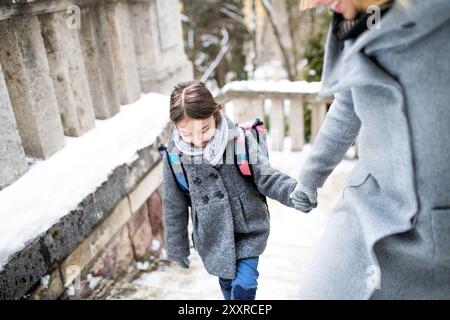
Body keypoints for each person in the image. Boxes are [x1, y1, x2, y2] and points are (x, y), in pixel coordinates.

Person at [291, 0, 450, 299]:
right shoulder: (364, 20)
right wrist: (311, 176)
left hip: (439, 241)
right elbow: (348, 103)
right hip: (367, 213)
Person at [162, 81, 301, 300]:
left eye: (205, 129)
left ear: (215, 113)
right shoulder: (175, 157)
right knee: (228, 286)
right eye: (188, 134)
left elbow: (266, 176)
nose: (198, 140)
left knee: (244, 287)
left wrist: (294, 192)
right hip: (211, 236)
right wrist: (177, 246)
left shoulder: (237, 140)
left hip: (248, 229)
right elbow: (173, 205)